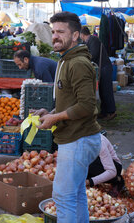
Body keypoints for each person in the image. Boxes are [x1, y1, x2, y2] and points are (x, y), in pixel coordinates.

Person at [34, 12, 102, 223]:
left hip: (78, 139)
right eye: (53, 31)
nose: (55, 36)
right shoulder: (66, 59)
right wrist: (51, 113)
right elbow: (72, 101)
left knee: (63, 197)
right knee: (76, 193)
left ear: (75, 36)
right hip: (75, 138)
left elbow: (87, 106)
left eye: (60, 32)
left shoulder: (78, 63)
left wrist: (55, 119)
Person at [80, 26, 116, 120]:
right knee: (102, 91)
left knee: (106, 90)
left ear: (82, 34)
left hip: (104, 68)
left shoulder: (93, 39)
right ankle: (104, 112)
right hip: (101, 68)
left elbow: (93, 55)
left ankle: (111, 112)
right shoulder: (87, 41)